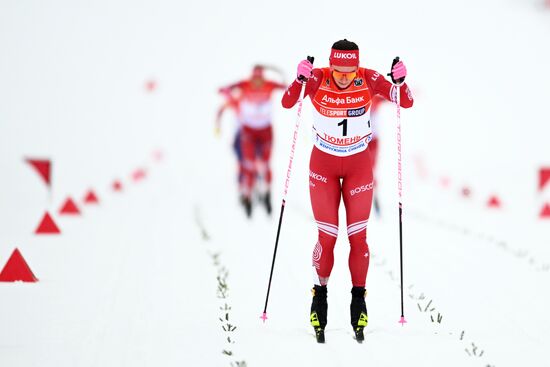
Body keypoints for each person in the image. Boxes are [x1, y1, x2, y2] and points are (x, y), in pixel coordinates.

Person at [281, 39, 414, 342]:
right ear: (330, 65)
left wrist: (401, 81)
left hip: (358, 167)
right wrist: (299, 78)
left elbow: (404, 101)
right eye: (338, 70)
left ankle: (358, 300)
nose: (343, 77)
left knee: (358, 236)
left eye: (348, 70)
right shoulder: (317, 79)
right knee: (327, 237)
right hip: (323, 167)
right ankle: (319, 297)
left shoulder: (368, 77)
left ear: (356, 66)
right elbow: (288, 102)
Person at [218, 65, 286, 217]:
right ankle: (246, 196)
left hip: (265, 132)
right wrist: (226, 93)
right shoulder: (243, 86)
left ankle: (267, 192)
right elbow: (224, 96)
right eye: (254, 80)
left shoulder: (270, 84)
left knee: (265, 164)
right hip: (248, 132)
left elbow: (288, 88)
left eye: (260, 80)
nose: (257, 84)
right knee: (248, 165)